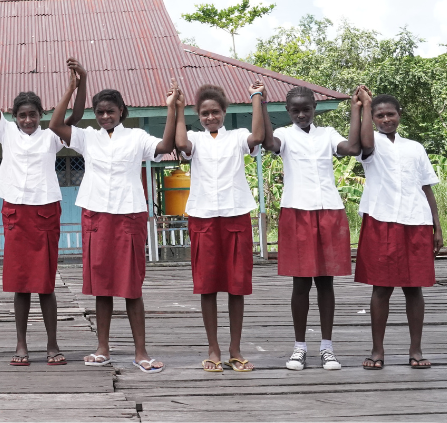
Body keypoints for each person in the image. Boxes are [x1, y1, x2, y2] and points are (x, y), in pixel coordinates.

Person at [50, 65, 180, 373]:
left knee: (132, 286)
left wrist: (172, 109)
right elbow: (55, 124)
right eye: (99, 112)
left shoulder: (136, 137)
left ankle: (141, 352)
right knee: (102, 285)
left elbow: (165, 147)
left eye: (110, 111)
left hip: (129, 215)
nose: (105, 116)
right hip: (95, 215)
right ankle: (103, 348)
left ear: (121, 111)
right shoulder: (88, 138)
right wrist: (71, 88)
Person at [0, 47, 84, 367]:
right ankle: (21, 344)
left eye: (32, 114)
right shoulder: (6, 132)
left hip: (45, 213)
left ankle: (52, 344)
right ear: (15, 117)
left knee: (45, 284)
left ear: (40, 115)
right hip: (15, 214)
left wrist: (76, 85)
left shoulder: (51, 135)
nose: (27, 120)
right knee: (20, 284)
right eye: (22, 115)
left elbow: (75, 116)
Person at [263, 86, 363, 371]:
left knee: (326, 282)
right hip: (297, 211)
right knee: (300, 283)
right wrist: (260, 101)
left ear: (314, 107)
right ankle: (299, 348)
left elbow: (353, 148)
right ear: (287, 111)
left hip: (329, 210)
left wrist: (356, 109)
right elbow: (270, 144)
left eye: (306, 108)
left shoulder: (328, 134)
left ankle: (327, 348)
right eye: (295, 110)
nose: (302, 114)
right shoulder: (283, 134)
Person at [173, 81, 270, 373]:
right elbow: (180, 145)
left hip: (235, 214)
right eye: (204, 113)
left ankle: (235, 349)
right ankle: (213, 348)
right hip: (202, 217)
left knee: (236, 286)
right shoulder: (195, 139)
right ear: (198, 116)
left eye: (215, 111)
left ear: (225, 111)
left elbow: (259, 136)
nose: (210, 117)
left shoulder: (238, 137)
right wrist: (178, 109)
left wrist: (256, 97)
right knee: (207, 286)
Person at [355, 87, 442, 370]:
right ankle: (377, 350)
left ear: (399, 115)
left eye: (390, 114)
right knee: (381, 287)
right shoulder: (370, 144)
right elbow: (364, 142)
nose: (386, 119)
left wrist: (437, 226)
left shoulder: (415, 148)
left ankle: (415, 349)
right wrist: (364, 107)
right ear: (374, 118)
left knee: (414, 288)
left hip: (416, 221)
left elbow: (426, 187)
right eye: (379, 115)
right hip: (381, 221)